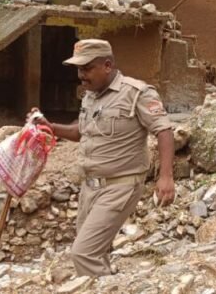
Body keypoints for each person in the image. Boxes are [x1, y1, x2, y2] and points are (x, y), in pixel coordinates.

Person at [34, 39, 176, 277]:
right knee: (95, 252)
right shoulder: (90, 96)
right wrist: (50, 127)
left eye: (87, 68)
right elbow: (80, 132)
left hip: (120, 186)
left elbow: (164, 130)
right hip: (90, 187)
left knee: (83, 253)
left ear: (107, 65)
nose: (81, 75)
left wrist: (166, 177)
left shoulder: (136, 93)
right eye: (79, 69)